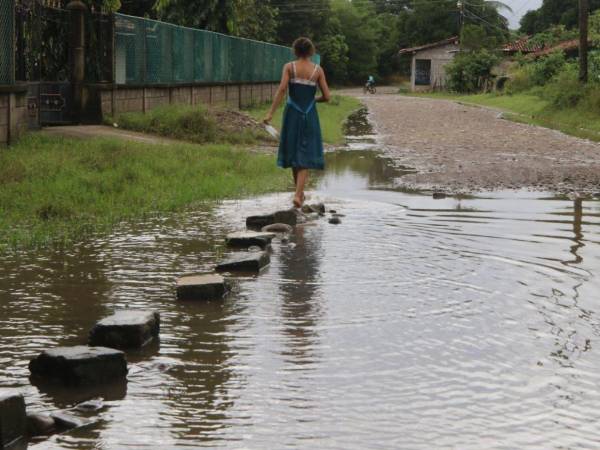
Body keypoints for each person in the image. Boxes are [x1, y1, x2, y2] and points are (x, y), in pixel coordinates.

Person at [263, 37, 331, 209]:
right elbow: (327, 97)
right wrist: (314, 99)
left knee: (295, 153)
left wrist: (270, 113)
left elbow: (282, 89)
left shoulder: (289, 67)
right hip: (309, 114)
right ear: (311, 51)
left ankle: (298, 195)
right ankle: (298, 194)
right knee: (305, 155)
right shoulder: (318, 70)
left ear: (295, 50)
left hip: (291, 114)